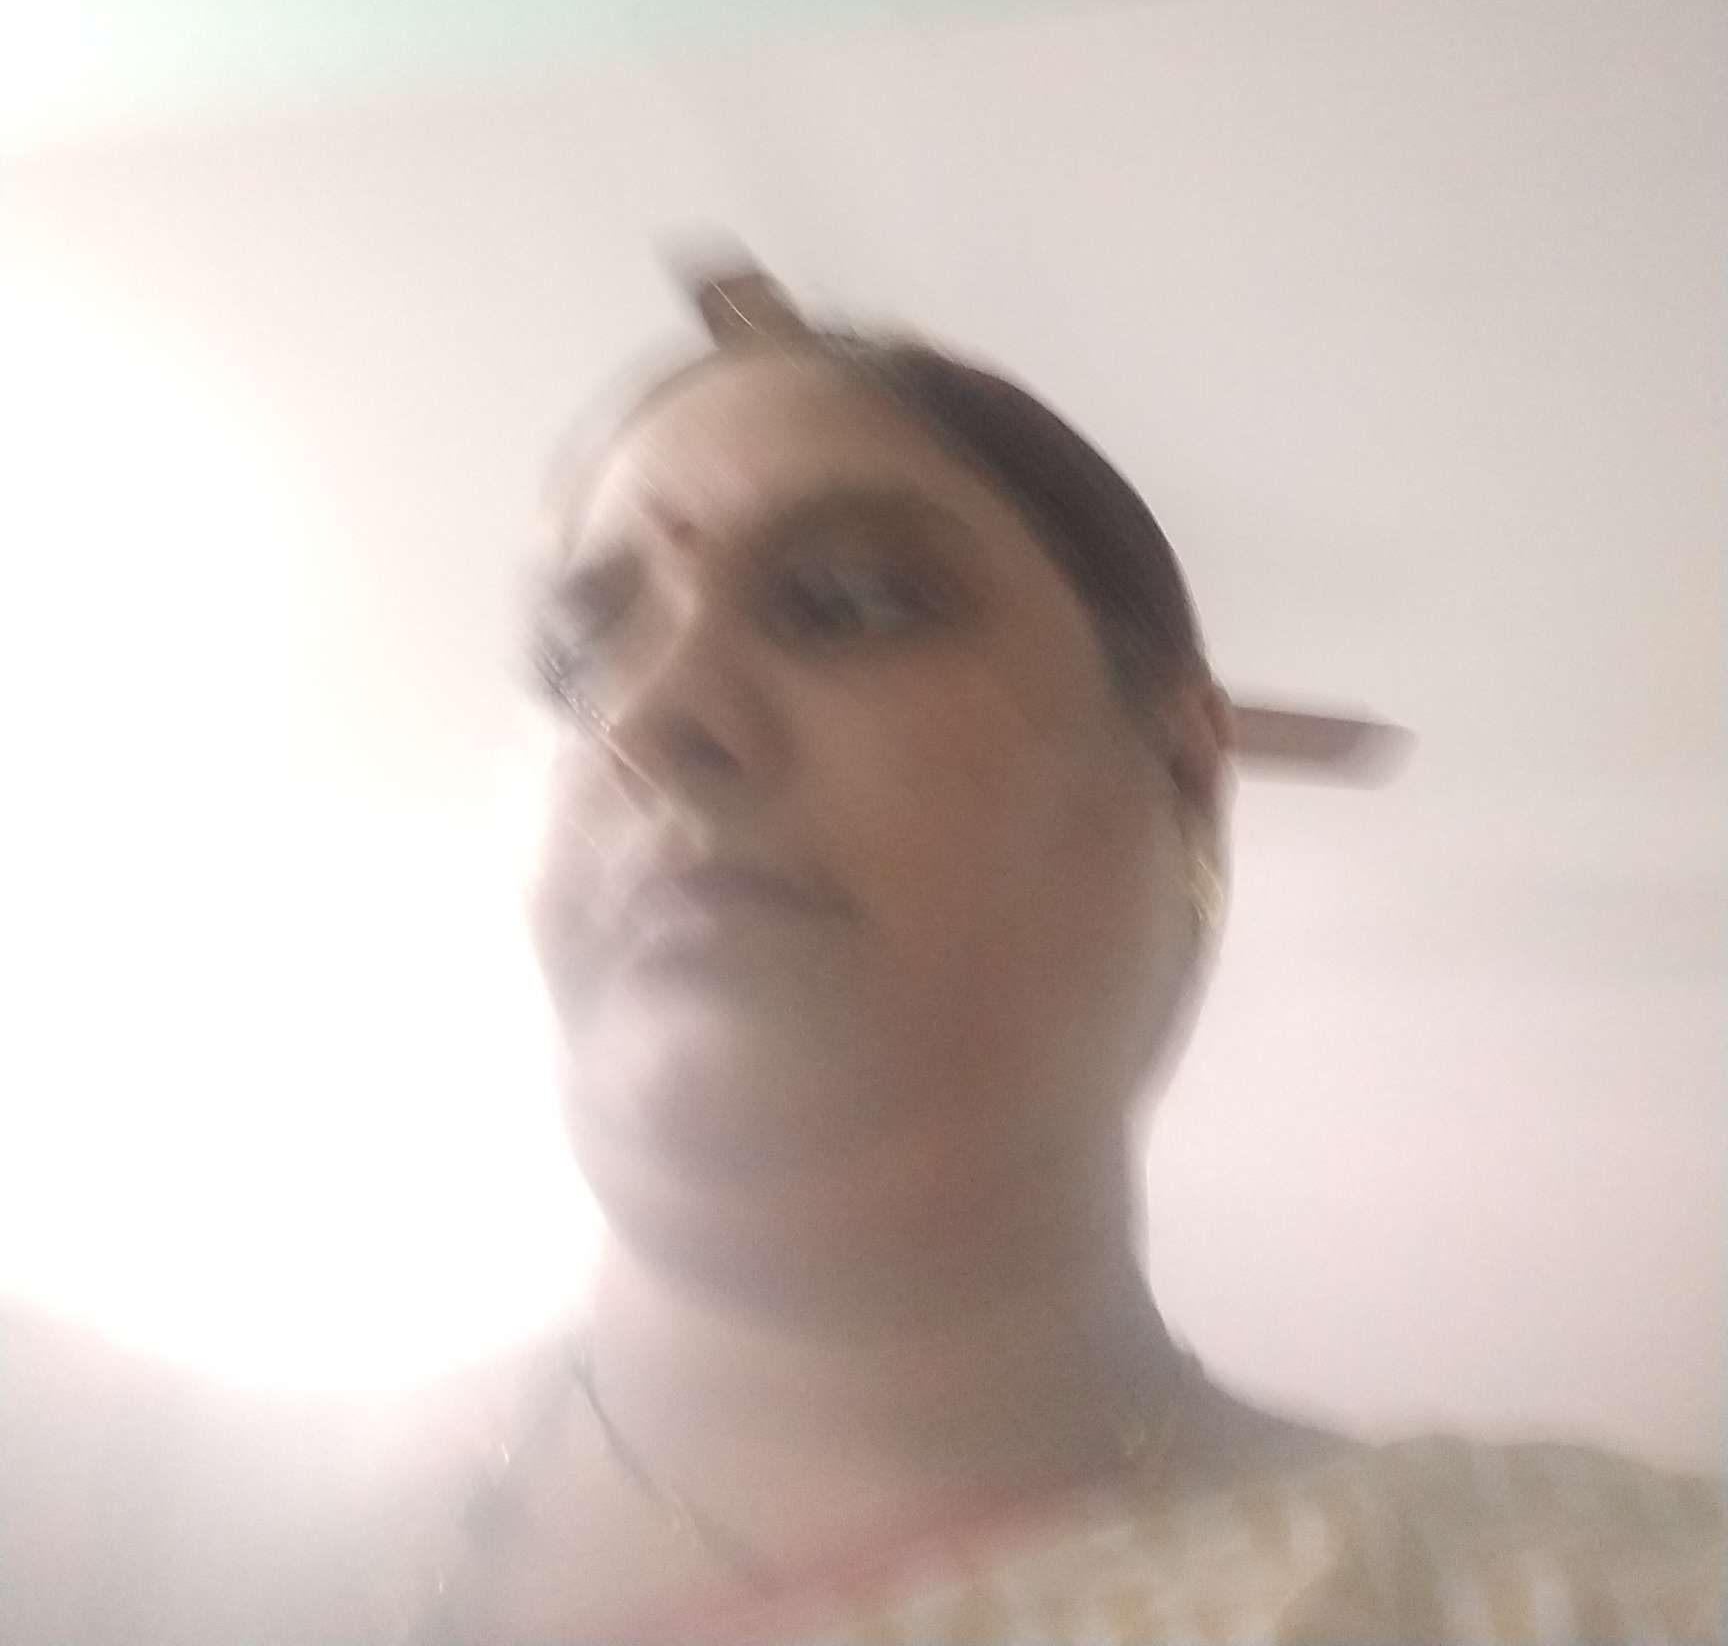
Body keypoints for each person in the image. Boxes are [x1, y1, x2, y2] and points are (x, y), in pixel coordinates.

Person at [3, 268, 1722, 1645]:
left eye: (847, 601)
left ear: (1182, 779)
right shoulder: (106, 1513)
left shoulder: (1572, 1590)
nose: (654, 717)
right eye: (582, 660)